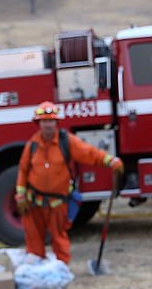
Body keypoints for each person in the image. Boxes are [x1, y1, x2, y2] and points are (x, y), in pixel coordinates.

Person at [15, 101, 123, 265]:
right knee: (34, 240)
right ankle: (36, 275)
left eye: (51, 121)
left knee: (59, 238)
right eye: (44, 121)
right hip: (33, 203)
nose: (48, 125)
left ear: (57, 122)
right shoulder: (32, 146)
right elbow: (23, 171)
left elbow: (90, 153)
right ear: (38, 123)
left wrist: (110, 161)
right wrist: (21, 196)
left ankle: (61, 270)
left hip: (58, 204)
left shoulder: (67, 142)